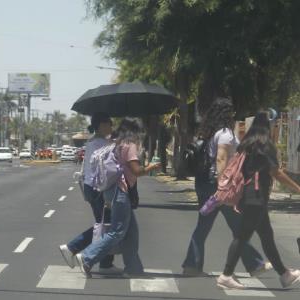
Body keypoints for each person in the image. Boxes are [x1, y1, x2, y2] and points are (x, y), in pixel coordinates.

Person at [182, 98, 269, 276]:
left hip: (205, 183)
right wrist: (223, 186)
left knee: (204, 226)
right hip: (219, 185)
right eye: (231, 112)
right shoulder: (225, 134)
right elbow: (221, 159)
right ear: (226, 114)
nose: (234, 115)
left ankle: (192, 266)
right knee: (238, 225)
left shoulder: (209, 133)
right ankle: (254, 264)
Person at [217, 111, 300, 289]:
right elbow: (276, 172)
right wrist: (298, 188)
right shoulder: (264, 145)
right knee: (241, 237)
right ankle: (226, 275)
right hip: (256, 197)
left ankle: (285, 274)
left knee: (267, 237)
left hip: (249, 196)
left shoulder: (246, 144)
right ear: (267, 127)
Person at [75, 118, 161, 277]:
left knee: (131, 233)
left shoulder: (117, 143)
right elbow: (136, 171)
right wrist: (151, 167)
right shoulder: (130, 145)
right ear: (135, 131)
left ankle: (133, 268)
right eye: (140, 131)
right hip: (120, 191)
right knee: (117, 231)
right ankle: (87, 257)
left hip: (113, 190)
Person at [59, 112, 120, 274]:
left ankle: (105, 262)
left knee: (105, 224)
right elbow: (110, 167)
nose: (111, 126)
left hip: (91, 187)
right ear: (100, 125)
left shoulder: (95, 141)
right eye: (108, 123)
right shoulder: (100, 143)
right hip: (98, 189)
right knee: (107, 226)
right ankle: (74, 248)